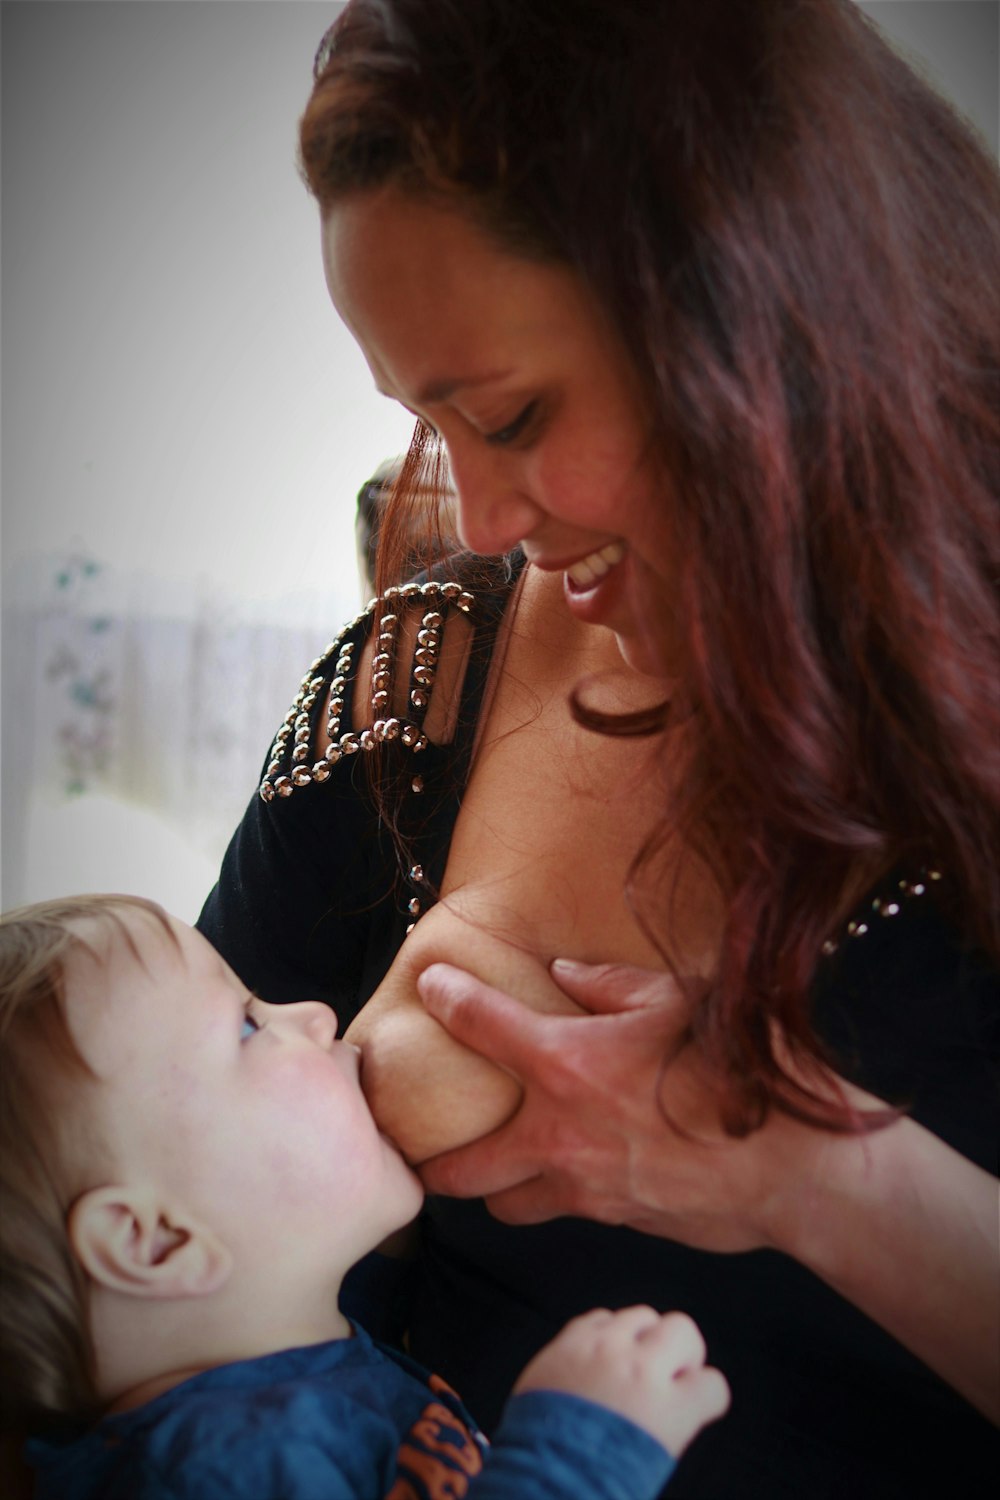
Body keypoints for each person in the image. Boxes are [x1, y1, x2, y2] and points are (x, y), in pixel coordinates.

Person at [199, 1, 1000, 1495]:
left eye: (512, 410)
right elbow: (106, 1214)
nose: (482, 520)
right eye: (431, 423)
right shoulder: (421, 676)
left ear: (765, 314)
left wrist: (808, 1182)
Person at [0, 893, 728, 1500]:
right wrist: (574, 1461)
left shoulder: (257, 1398)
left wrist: (361, 1247)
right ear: (157, 1242)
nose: (315, 1014)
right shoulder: (218, 1473)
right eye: (250, 1026)